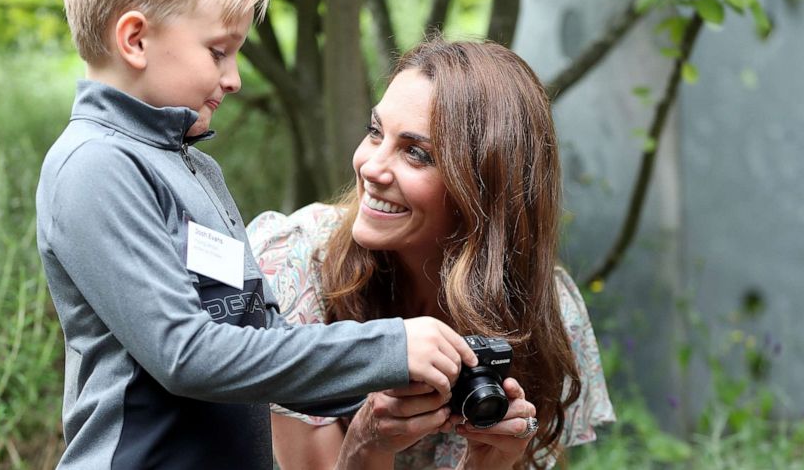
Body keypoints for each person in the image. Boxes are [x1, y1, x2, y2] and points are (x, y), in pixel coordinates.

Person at [35, 0, 478, 470]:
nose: (235, 78)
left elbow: (260, 340)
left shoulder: (197, 169)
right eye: (219, 51)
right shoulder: (95, 165)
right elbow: (186, 355)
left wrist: (397, 383)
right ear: (135, 39)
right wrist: (386, 348)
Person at [249, 39, 616, 469]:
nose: (369, 166)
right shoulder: (295, 264)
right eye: (375, 132)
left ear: (482, 190)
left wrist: (488, 465)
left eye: (415, 153)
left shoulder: (543, 309)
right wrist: (369, 443)